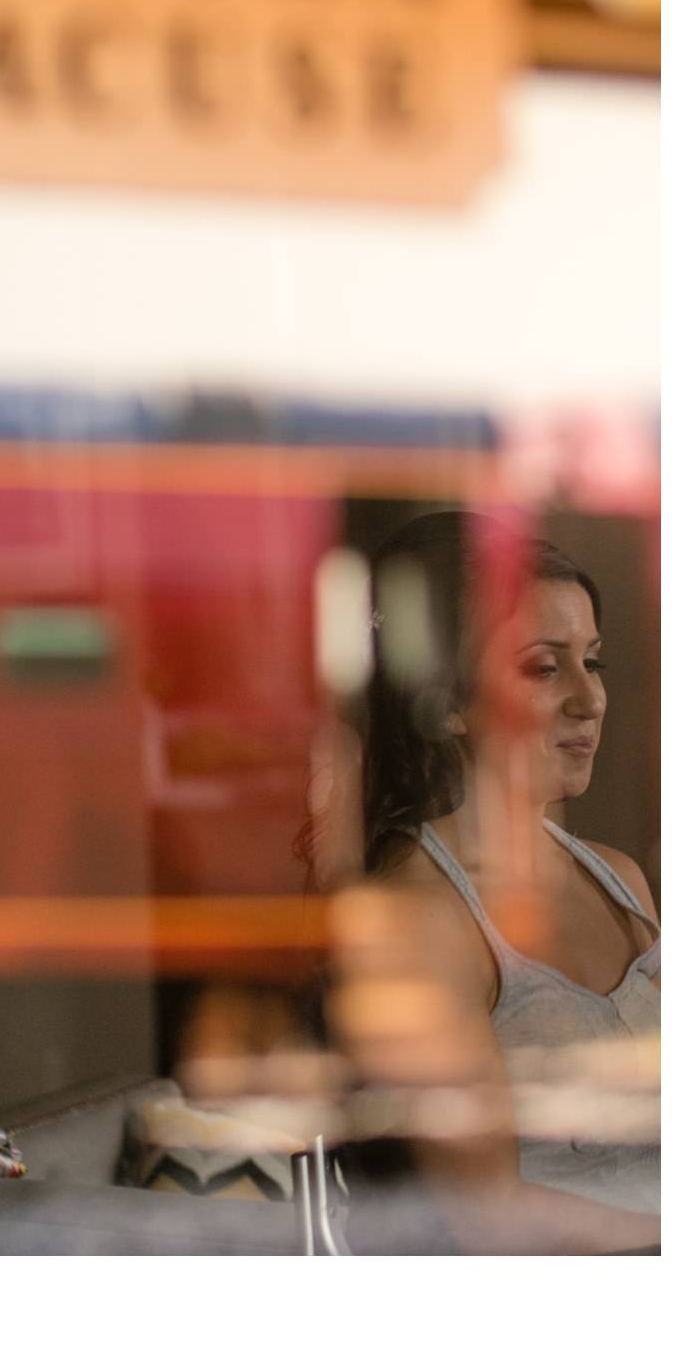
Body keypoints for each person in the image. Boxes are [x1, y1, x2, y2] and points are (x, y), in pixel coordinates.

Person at [310, 510, 660, 1254]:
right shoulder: (418, 921)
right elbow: (487, 1215)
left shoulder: (618, 879)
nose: (588, 698)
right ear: (446, 703)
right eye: (543, 666)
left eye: (590, 662)